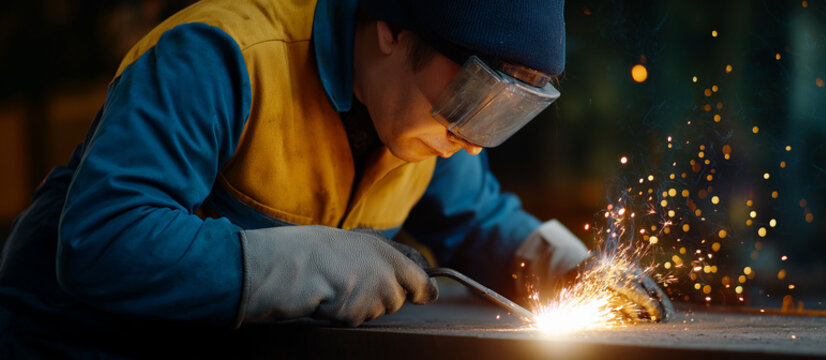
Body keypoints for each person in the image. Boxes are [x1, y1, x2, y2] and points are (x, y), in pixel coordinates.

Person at [0, 0, 672, 356]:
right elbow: (100, 243)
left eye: (506, 113)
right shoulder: (219, 56)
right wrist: (305, 263)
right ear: (391, 31)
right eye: (473, 93)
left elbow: (478, 221)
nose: (470, 139)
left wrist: (567, 269)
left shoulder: (424, 132)